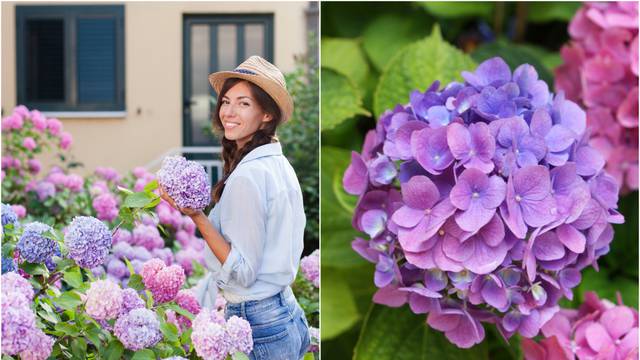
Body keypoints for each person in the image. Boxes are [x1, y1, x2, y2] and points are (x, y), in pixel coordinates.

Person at [159, 55, 311, 360]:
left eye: (243, 104)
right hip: (287, 315)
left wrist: (196, 215)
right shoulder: (279, 164)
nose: (229, 112)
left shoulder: (249, 176)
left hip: (259, 325)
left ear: (266, 114)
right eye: (226, 101)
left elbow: (242, 272)